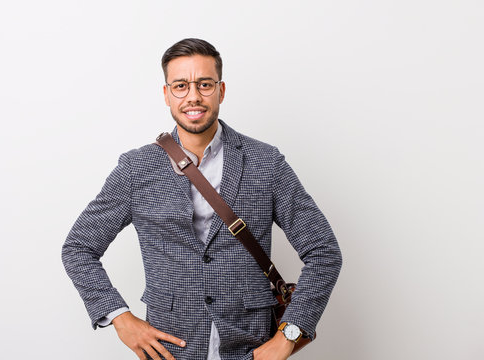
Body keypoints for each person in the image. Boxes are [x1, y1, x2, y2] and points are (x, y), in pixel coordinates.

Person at [62, 38, 342, 360]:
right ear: (166, 94)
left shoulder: (266, 162)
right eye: (180, 85)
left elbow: (324, 251)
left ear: (221, 90)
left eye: (204, 84)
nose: (193, 96)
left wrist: (289, 335)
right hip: (168, 349)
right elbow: (78, 248)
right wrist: (119, 317)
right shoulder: (135, 169)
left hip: (251, 348)